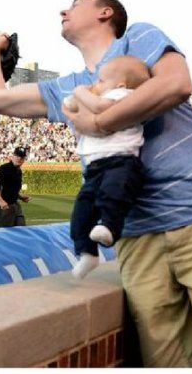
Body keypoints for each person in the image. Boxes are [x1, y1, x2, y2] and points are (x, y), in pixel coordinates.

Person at [0, 0, 192, 367]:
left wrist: (100, 121)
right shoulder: (67, 87)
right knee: (167, 363)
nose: (63, 10)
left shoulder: (136, 38)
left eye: (74, 4)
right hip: (137, 237)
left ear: (105, 13)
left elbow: (176, 84)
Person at [62, 56, 150, 279]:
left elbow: (101, 106)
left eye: (101, 81)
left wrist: (81, 92)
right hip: (95, 167)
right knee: (81, 211)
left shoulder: (123, 95)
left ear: (120, 84)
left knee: (112, 196)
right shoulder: (104, 96)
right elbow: (82, 124)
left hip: (121, 161)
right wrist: (73, 107)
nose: (96, 85)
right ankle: (87, 253)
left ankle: (110, 227)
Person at [0, 146, 31, 227]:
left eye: (22, 157)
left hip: (15, 205)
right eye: (17, 156)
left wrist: (21, 197)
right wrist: (1, 201)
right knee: (6, 234)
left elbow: (12, 189)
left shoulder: (18, 171)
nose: (19, 158)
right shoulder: (3, 169)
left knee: (22, 231)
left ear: (24, 160)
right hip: (3, 207)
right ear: (12, 156)